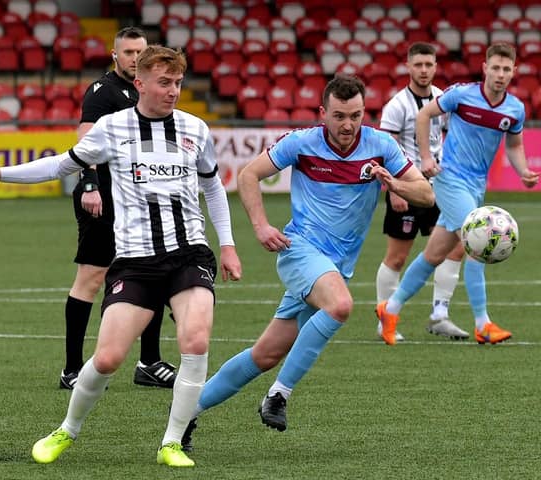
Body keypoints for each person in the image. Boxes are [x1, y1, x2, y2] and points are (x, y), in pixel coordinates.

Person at [0, 45, 243, 468]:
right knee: (109, 358)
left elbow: (213, 187)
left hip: (189, 254)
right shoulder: (112, 128)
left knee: (196, 339)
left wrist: (228, 243)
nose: (173, 91)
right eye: (164, 83)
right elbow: (60, 166)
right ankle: (66, 430)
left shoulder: (195, 129)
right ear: (140, 83)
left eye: (178, 83)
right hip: (135, 261)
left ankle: (172, 442)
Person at [178, 74, 434, 445]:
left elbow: (425, 194)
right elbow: (249, 175)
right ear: (323, 113)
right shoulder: (302, 142)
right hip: (299, 251)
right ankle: (279, 394)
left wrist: (394, 184)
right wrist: (261, 226)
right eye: (340, 116)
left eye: (356, 115)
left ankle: (185, 414)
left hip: (334, 268)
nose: (348, 125)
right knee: (341, 306)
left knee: (265, 354)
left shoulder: (381, 145)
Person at [376, 42, 539, 346]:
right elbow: (424, 115)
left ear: (514, 71)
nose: (501, 74)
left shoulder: (514, 108)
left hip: (476, 185)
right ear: (485, 68)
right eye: (496, 68)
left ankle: (391, 308)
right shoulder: (462, 95)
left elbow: (514, 146)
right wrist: (426, 158)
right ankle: (483, 323)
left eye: (507, 69)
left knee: (433, 255)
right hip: (450, 179)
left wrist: (522, 172)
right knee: (482, 240)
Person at [61, 26, 176, 391]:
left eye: (140, 52)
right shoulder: (103, 91)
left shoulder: (151, 92)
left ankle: (149, 362)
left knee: (152, 274)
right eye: (128, 53)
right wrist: (90, 183)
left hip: (140, 202)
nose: (134, 58)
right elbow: (85, 138)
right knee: (92, 278)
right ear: (115, 55)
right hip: (103, 199)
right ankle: (72, 368)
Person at [375, 42, 468, 341]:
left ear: (436, 67)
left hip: (440, 188)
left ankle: (440, 315)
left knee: (456, 248)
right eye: (419, 65)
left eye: (429, 65)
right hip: (409, 188)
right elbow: (386, 149)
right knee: (398, 257)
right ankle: (384, 318)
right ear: (409, 66)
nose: (424, 70)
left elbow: (450, 138)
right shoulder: (397, 105)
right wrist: (394, 190)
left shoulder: (442, 99)